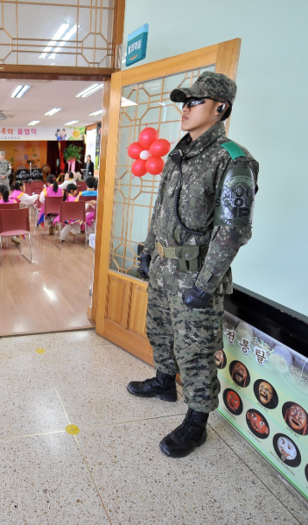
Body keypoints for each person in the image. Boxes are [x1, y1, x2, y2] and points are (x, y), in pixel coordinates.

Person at [127, 72, 259, 458]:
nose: (184, 109)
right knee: (160, 332)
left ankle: (197, 422)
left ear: (220, 108)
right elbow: (160, 211)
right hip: (164, 270)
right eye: (183, 102)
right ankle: (164, 381)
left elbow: (233, 231)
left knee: (196, 351)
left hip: (196, 277)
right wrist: (148, 251)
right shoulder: (177, 155)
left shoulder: (233, 160)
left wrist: (205, 283)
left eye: (194, 102)